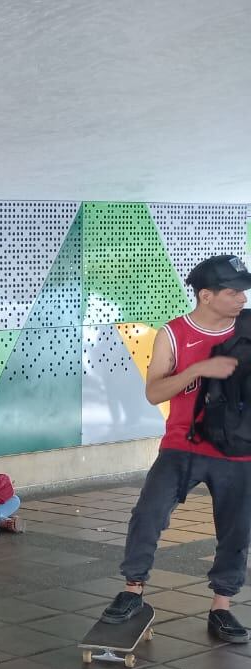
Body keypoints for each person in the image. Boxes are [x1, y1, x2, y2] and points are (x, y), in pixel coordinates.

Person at [99, 254, 251, 641]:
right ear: (206, 295)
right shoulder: (174, 334)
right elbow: (154, 393)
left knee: (235, 529)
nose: (242, 299)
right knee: (148, 513)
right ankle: (133, 590)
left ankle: (222, 606)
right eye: (234, 292)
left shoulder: (249, 329)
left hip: (239, 450)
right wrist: (198, 370)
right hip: (182, 445)